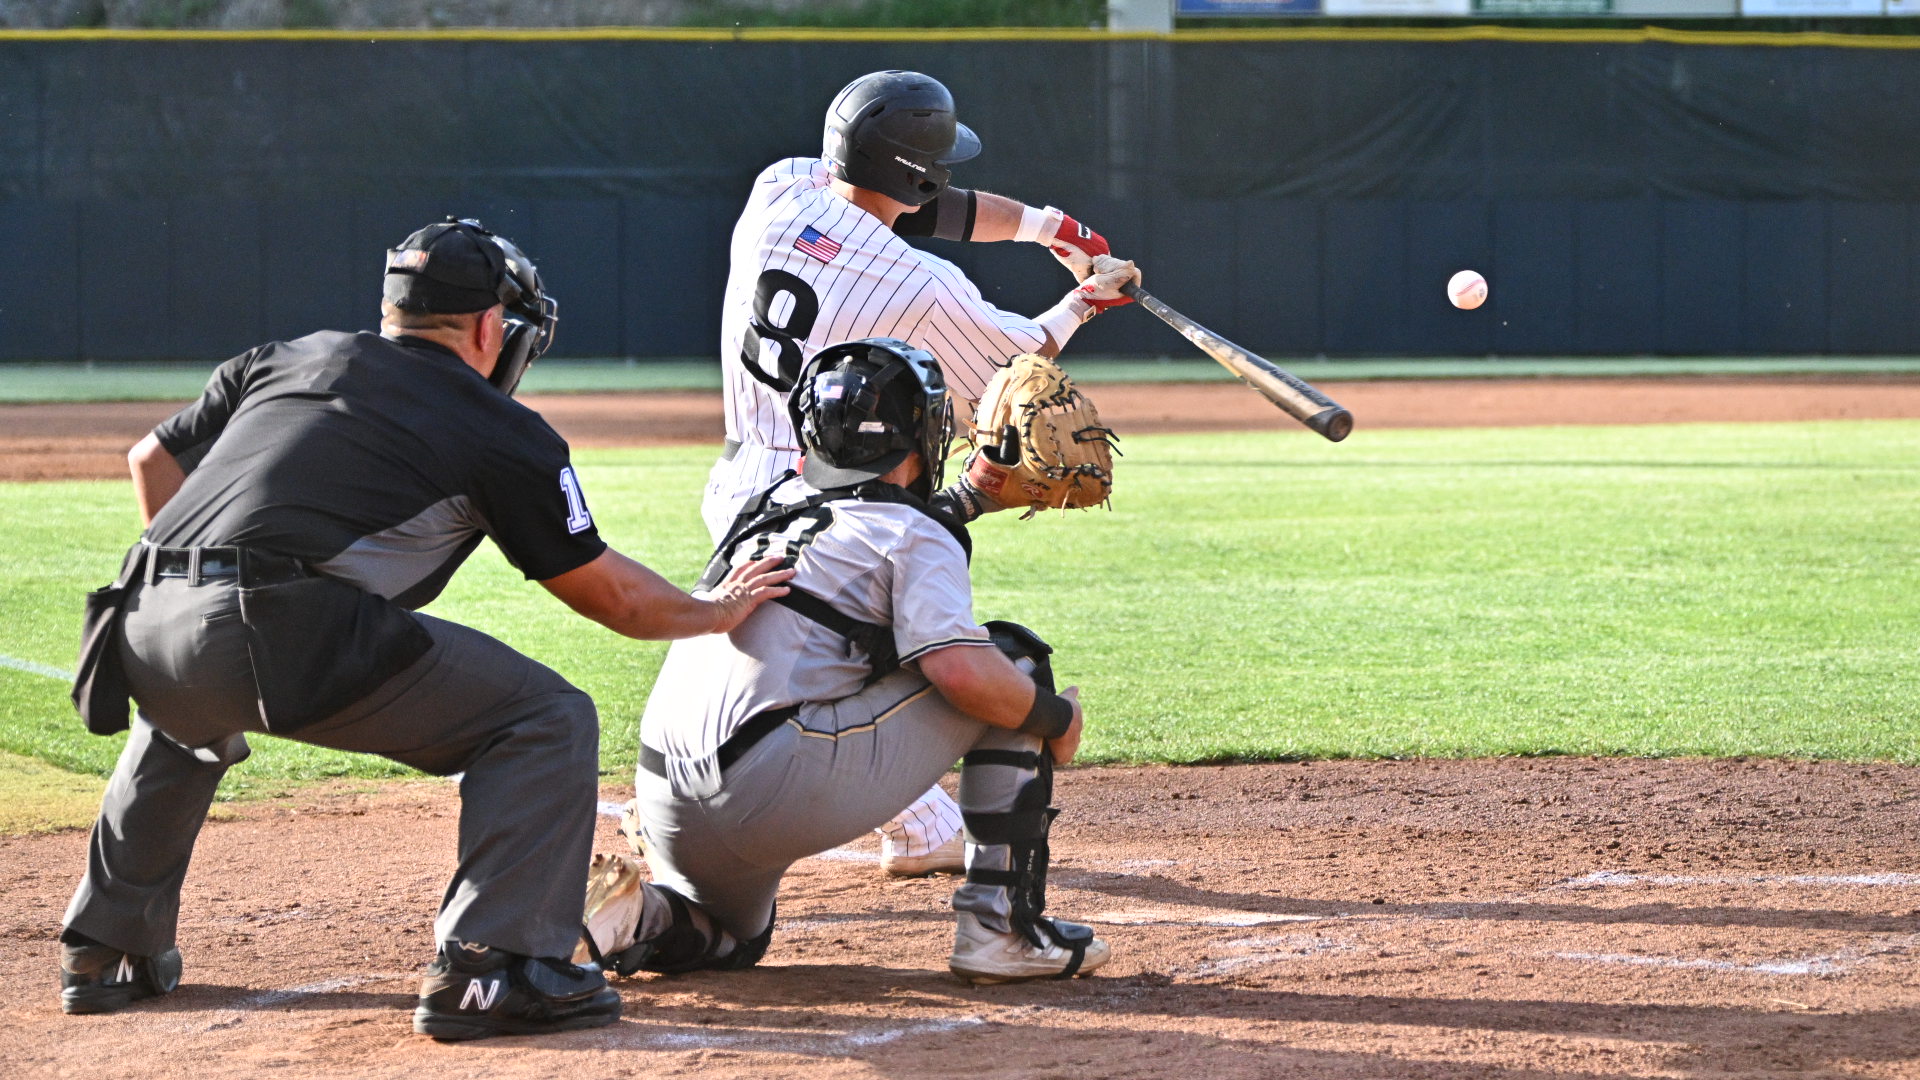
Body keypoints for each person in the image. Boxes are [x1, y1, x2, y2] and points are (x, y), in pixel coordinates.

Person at [56, 219, 792, 1040]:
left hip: (137, 614)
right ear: (491, 327)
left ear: (392, 307)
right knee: (544, 718)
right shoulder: (498, 427)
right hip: (280, 622)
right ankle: (495, 967)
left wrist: (200, 604)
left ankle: (105, 948)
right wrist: (718, 609)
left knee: (185, 722)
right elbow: (613, 598)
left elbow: (150, 460)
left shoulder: (283, 357)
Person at [695, 68, 1142, 877]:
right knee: (864, 657)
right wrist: (1084, 301)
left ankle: (918, 824)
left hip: (744, 473)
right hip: (819, 496)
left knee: (807, 655)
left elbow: (924, 206)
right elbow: (1015, 369)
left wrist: (1051, 228)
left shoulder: (780, 189)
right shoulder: (921, 286)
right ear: (918, 173)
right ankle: (890, 822)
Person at [581, 337, 1111, 985]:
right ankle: (1001, 930)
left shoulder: (763, 509)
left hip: (665, 795)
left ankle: (631, 919)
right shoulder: (913, 535)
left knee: (729, 940)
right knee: (1011, 666)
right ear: (920, 434)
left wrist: (974, 495)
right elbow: (961, 672)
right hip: (764, 784)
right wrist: (1057, 718)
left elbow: (873, 523)